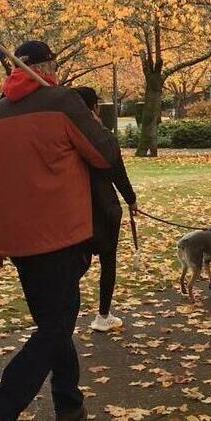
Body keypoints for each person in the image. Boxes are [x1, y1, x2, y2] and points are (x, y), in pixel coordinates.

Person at [0, 40, 124, 421]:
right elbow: (105, 153)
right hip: (61, 236)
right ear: (49, 65)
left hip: (16, 241)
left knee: (53, 323)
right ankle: (1, 408)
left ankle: (69, 408)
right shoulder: (63, 103)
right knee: (56, 326)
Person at [73, 86, 138, 332]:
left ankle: (63, 313)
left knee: (77, 264)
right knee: (108, 262)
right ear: (95, 108)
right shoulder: (101, 136)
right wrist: (131, 199)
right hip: (103, 207)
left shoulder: (65, 134)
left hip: (75, 208)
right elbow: (117, 172)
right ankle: (103, 314)